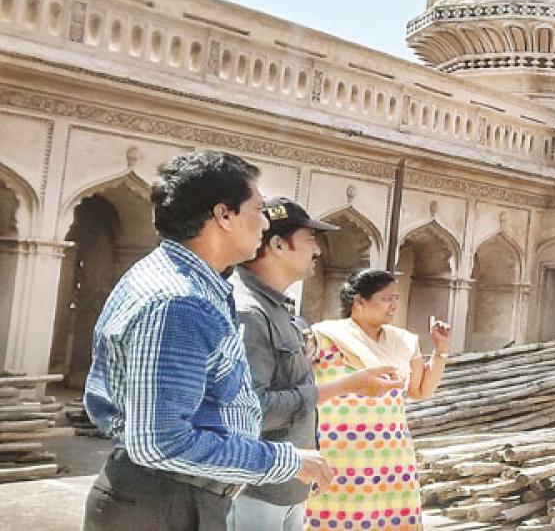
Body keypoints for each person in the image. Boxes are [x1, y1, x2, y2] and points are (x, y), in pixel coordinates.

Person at [83, 151, 334, 530]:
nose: (264, 223)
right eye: (258, 209)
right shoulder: (179, 300)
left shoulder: (195, 283)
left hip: (179, 496)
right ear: (224, 215)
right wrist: (285, 461)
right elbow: (162, 443)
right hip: (165, 503)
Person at [228, 198, 407, 531]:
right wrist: (346, 386)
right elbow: (251, 410)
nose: (318, 251)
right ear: (278, 245)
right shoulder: (249, 313)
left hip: (289, 485)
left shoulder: (279, 309)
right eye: (310, 239)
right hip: (254, 490)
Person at [306, 269, 452, 531]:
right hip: (339, 452)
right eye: (386, 299)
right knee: (337, 517)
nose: (394, 305)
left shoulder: (404, 341)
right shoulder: (324, 336)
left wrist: (441, 349)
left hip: (390, 455)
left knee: (389, 520)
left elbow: (420, 391)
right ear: (359, 301)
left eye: (396, 298)